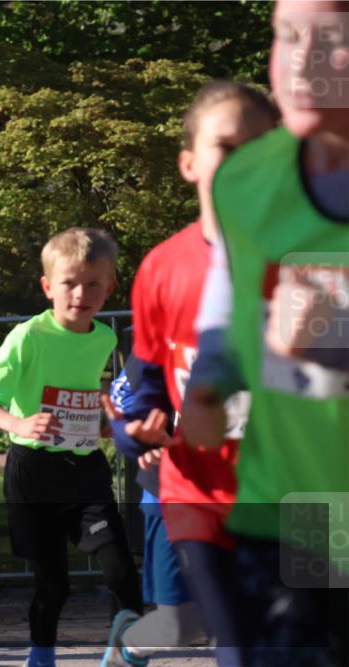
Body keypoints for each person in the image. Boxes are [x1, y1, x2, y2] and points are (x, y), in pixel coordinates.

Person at [180, 2, 349, 665]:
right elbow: (228, 300)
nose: (302, 62)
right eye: (288, 36)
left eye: (331, 39)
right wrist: (210, 378)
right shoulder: (248, 181)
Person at [101, 80, 279, 667]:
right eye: (226, 147)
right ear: (189, 163)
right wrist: (134, 435)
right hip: (199, 493)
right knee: (235, 645)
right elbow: (144, 384)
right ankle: (135, 642)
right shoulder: (164, 267)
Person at [0, 228, 142, 667]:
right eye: (69, 283)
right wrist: (18, 423)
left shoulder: (104, 338)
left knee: (122, 571)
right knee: (54, 584)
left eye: (93, 284)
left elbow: (81, 392)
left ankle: (123, 653)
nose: (81, 294)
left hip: (85, 472)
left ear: (109, 287)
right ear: (48, 287)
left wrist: (100, 423)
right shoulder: (28, 337)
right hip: (33, 474)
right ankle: (42, 654)